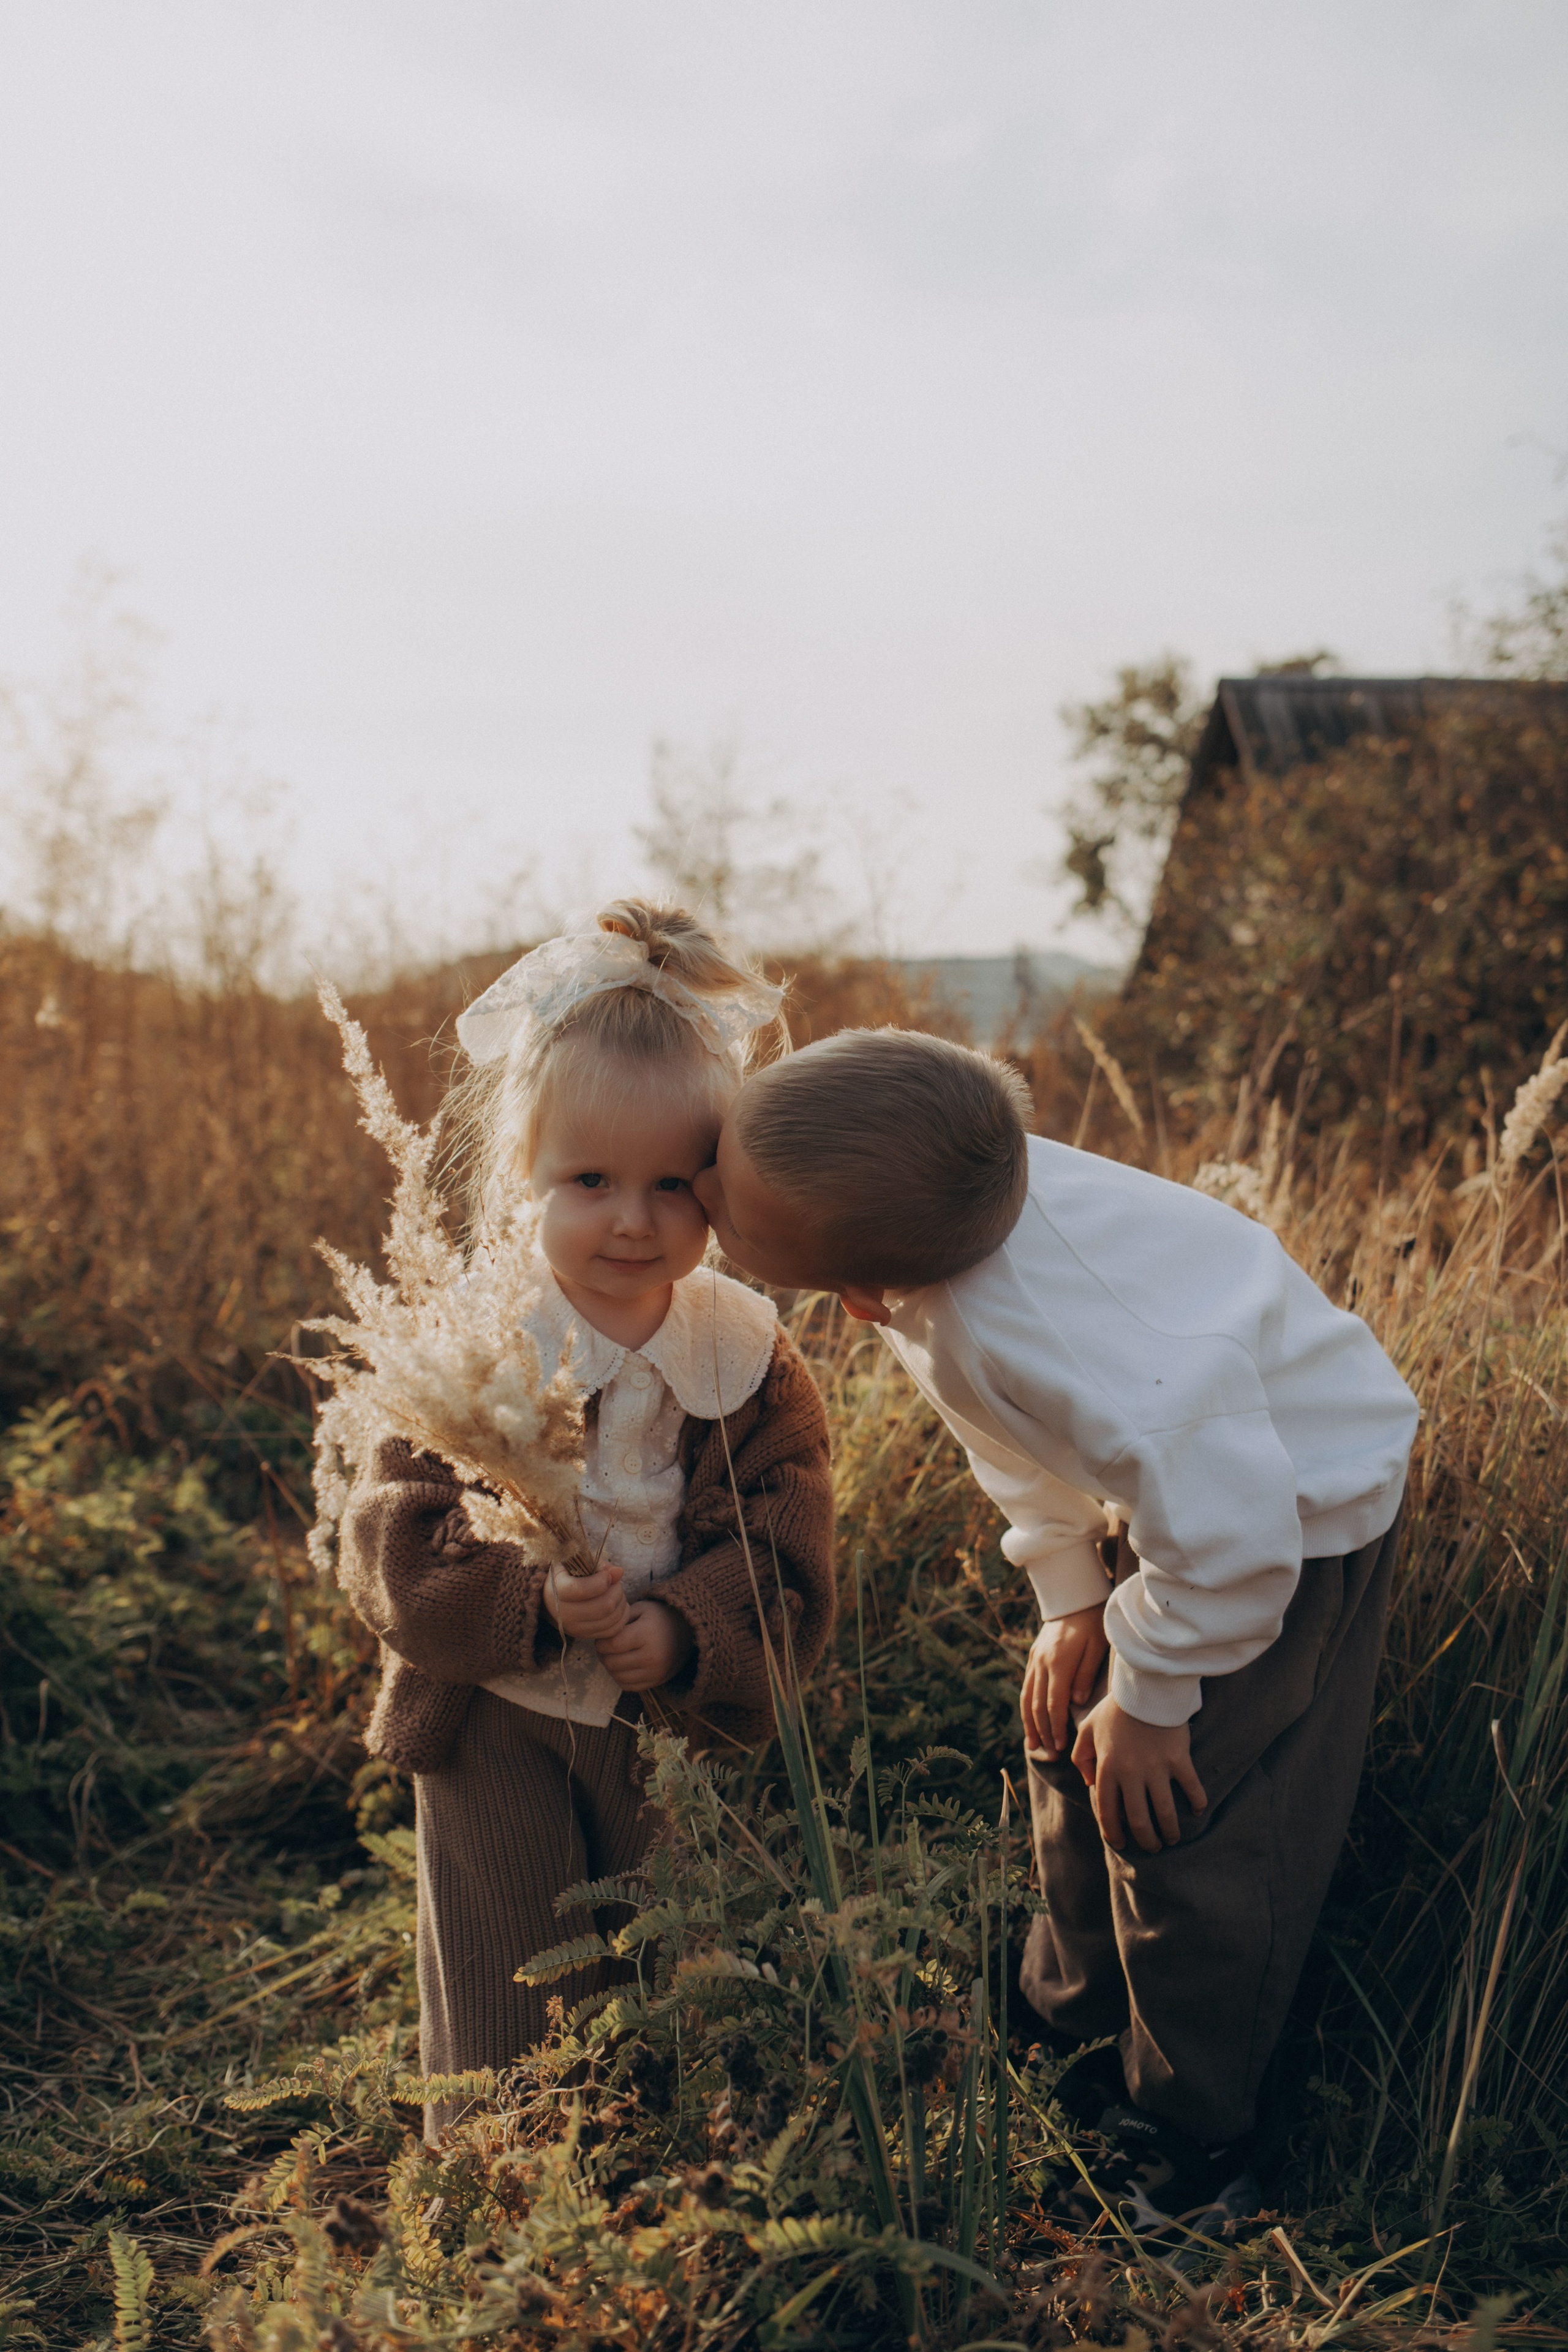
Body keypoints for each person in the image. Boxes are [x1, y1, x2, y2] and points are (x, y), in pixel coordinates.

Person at [693, 1025, 1418, 2232]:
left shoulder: (1022, 1327)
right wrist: (1075, 1597)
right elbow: (1019, 1443)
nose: (698, 1186)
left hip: (1291, 1512)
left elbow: (1236, 1543)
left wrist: (1154, 1695)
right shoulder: (947, 1228)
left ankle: (1192, 2138)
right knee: (1065, 1735)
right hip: (1184, 1494)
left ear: (859, 1296)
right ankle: (1070, 2016)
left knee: (1180, 1816)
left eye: (721, 1195)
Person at [339, 902, 835, 2138]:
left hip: (657, 1722)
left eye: (673, 1184)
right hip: (493, 1718)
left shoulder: (741, 1354)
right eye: (591, 1181)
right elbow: (391, 1535)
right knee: (506, 1966)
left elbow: (786, 1542)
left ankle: (654, 2177)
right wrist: (522, 1598)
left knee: (668, 1951)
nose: (632, 1220)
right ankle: (500, 2183)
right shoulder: (478, 1336)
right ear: (525, 1169)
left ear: (722, 1184)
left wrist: (687, 1630)